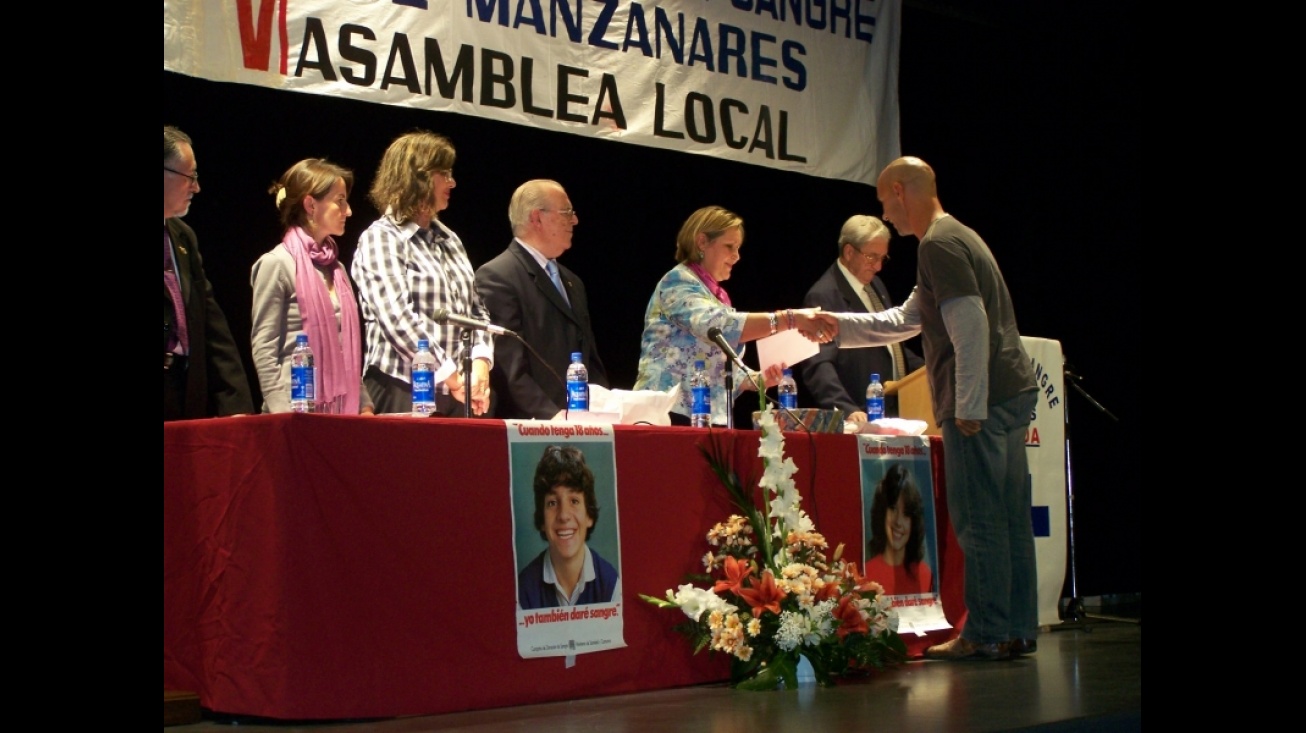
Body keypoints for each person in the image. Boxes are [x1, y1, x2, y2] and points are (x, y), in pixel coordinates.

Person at [812, 156, 1038, 661]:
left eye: (884, 203)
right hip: (1010, 391)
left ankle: (985, 632)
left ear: (898, 189)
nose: (887, 215)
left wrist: (969, 404)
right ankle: (1016, 628)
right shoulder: (955, 238)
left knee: (980, 518)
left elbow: (970, 324)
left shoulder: (938, 243)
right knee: (1006, 518)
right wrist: (837, 327)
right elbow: (906, 319)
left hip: (985, 400)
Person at [633, 205, 831, 426]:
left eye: (738, 248)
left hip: (704, 416)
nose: (737, 257)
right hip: (667, 413)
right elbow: (718, 325)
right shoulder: (677, 282)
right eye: (730, 247)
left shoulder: (717, 296)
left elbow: (723, 368)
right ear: (702, 242)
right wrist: (789, 319)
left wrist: (758, 379)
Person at [351, 130, 492, 416]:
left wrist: (480, 365)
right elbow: (397, 320)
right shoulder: (381, 238)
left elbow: (477, 313)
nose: (452, 182)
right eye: (445, 173)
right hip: (402, 389)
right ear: (418, 176)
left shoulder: (450, 239)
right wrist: (452, 376)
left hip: (458, 394)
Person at [475, 180, 609, 419]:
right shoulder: (497, 276)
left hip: (583, 424)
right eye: (567, 212)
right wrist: (554, 419)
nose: (575, 220)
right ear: (537, 218)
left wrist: (606, 413)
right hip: (531, 429)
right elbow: (510, 371)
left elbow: (590, 360)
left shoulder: (573, 282)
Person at [250, 158, 374, 415]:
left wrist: (363, 402)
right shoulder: (277, 264)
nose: (348, 210)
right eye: (340, 200)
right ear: (310, 205)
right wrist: (281, 411)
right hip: (293, 412)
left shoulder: (337, 269)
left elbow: (344, 347)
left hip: (341, 415)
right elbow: (264, 346)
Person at [163, 125, 254, 421]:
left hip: (184, 399)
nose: (196, 187)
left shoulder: (183, 237)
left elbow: (211, 326)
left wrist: (236, 405)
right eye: (191, 176)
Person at [801, 215, 923, 423]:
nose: (878, 267)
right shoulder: (823, 295)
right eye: (871, 257)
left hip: (894, 410)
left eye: (882, 258)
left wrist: (927, 370)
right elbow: (818, 364)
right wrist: (845, 408)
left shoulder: (876, 285)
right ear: (849, 252)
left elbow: (890, 342)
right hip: (860, 414)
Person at [518, 445, 619, 609]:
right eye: (552, 503)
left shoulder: (611, 583)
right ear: (542, 520)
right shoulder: (523, 590)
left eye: (574, 501)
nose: (564, 515)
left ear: (589, 516)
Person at [865, 464, 934, 596]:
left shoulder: (926, 575)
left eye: (906, 514)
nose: (898, 522)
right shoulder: (866, 575)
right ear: (882, 512)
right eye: (893, 509)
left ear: (914, 522)